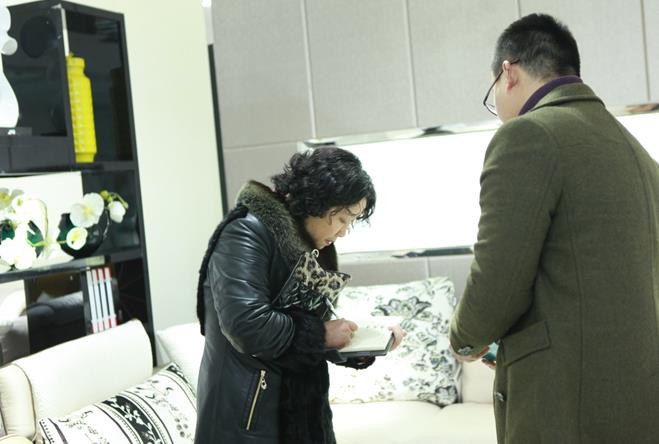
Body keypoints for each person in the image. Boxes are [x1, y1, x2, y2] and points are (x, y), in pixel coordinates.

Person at [449, 13, 659, 443]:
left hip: (565, 403)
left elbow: (498, 276)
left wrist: (465, 339)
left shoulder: (527, 136)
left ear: (508, 72)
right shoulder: (639, 155)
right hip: (636, 399)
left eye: (492, 95)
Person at [194, 147, 404, 444]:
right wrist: (321, 335)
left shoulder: (315, 246)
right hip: (246, 422)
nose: (343, 232)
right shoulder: (245, 232)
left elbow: (309, 336)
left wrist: (365, 344)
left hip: (304, 419)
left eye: (351, 222)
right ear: (318, 201)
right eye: (342, 218)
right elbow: (247, 325)